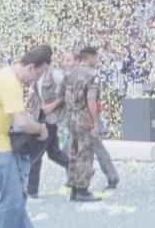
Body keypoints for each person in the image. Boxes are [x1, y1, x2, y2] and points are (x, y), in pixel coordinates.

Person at [0, 46, 52, 228]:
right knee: (13, 201)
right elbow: (22, 122)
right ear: (31, 68)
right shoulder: (11, 84)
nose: (36, 80)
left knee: (17, 199)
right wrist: (41, 129)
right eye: (38, 75)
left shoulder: (6, 74)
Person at [62, 46, 102, 203]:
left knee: (73, 152)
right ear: (90, 57)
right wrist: (95, 122)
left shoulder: (70, 73)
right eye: (96, 57)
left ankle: (73, 187)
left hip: (71, 116)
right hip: (84, 116)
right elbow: (91, 100)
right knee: (85, 153)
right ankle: (83, 189)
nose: (97, 61)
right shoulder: (92, 75)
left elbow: (65, 96)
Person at [25, 61, 68, 198]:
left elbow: (68, 92)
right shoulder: (36, 76)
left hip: (50, 119)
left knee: (36, 155)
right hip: (39, 116)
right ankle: (79, 169)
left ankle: (32, 190)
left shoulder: (55, 74)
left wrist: (53, 105)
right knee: (54, 153)